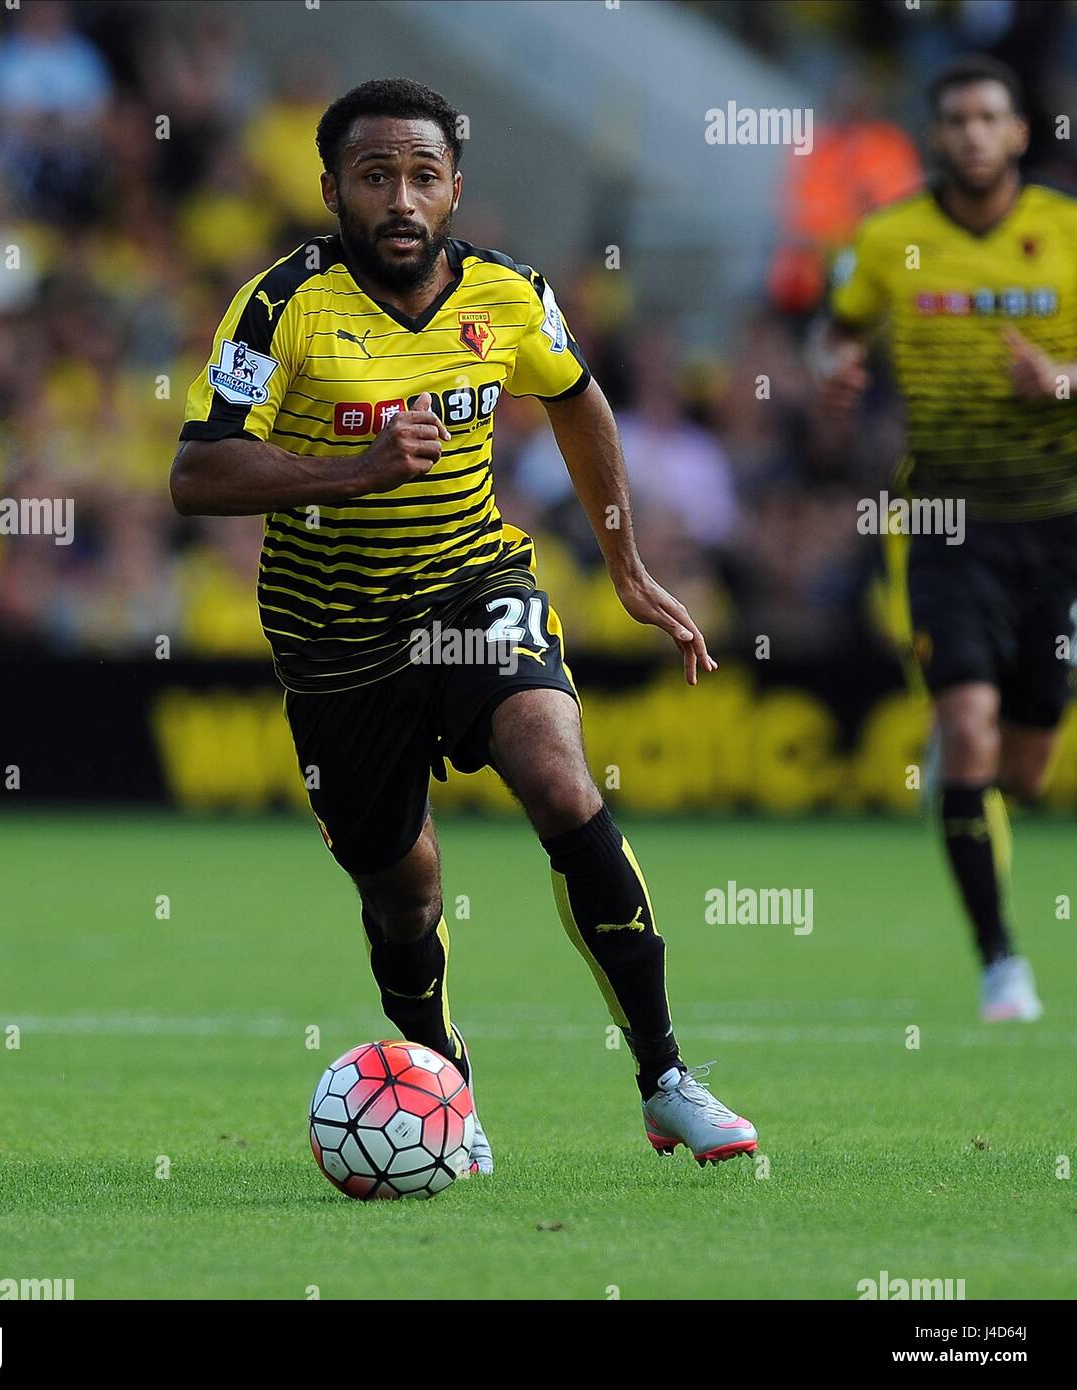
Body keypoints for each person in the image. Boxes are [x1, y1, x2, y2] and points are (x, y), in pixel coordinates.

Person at [171, 78, 757, 1172]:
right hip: (334, 640)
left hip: (470, 586)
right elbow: (196, 473)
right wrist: (351, 471)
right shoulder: (279, 305)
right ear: (332, 189)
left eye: (422, 176)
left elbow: (577, 396)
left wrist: (625, 566)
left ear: (453, 190)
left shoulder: (508, 295)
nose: (401, 197)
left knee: (557, 773)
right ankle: (441, 1079)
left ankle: (666, 1076)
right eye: (375, 175)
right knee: (406, 892)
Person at [813, 55, 1077, 1022]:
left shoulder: (1067, 231)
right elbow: (834, 334)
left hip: (1059, 523)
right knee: (967, 732)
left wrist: (1062, 382)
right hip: (947, 524)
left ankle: (975, 778)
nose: (971, 133)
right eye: (955, 118)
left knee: (1026, 768)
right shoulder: (890, 239)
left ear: (1017, 134)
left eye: (989, 118)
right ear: (937, 135)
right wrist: (835, 372)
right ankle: (1000, 962)